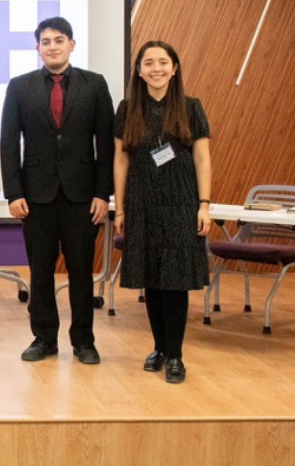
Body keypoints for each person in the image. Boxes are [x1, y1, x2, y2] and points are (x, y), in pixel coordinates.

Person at [0, 16, 114, 365]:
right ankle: (44, 339)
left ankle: (84, 342)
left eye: (59, 40)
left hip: (82, 197)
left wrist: (102, 193)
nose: (52, 46)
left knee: (81, 273)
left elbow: (106, 144)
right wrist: (13, 192)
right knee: (40, 271)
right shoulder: (20, 87)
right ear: (38, 48)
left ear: (72, 45)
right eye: (46, 41)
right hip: (36, 196)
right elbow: (8, 142)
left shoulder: (94, 85)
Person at [114, 40, 211, 384]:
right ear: (139, 71)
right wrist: (121, 208)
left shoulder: (191, 107)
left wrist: (204, 204)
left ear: (174, 68)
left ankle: (176, 356)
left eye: (162, 62)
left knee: (175, 281)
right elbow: (121, 159)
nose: (156, 68)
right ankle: (158, 347)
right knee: (152, 279)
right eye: (148, 63)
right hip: (141, 203)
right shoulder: (127, 109)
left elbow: (202, 158)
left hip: (181, 203)